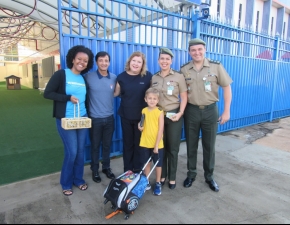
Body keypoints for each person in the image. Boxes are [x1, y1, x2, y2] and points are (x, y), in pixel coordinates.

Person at [180, 38, 233, 192]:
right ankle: (191, 174)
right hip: (191, 111)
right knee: (191, 145)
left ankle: (209, 177)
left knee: (209, 146)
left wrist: (226, 111)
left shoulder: (216, 67)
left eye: (199, 49)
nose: (197, 53)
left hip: (210, 111)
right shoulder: (184, 69)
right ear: (189, 52)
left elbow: (227, 87)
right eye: (193, 50)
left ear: (204, 50)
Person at [44, 45, 94, 196]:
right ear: (73, 59)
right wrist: (67, 98)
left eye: (85, 60)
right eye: (79, 59)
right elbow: (48, 93)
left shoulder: (83, 79)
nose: (82, 62)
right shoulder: (61, 74)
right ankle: (66, 182)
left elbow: (85, 100)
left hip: (82, 119)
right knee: (71, 152)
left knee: (80, 152)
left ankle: (78, 180)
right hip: (66, 120)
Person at [151, 48, 188, 189]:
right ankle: (163, 175)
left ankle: (172, 177)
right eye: (162, 59)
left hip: (173, 114)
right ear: (158, 60)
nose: (164, 61)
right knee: (161, 147)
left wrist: (181, 113)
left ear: (171, 61)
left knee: (173, 147)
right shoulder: (154, 78)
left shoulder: (178, 76)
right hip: (158, 115)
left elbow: (184, 97)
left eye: (167, 59)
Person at [114, 51, 152, 173]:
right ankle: (128, 171)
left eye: (139, 62)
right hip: (125, 115)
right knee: (128, 144)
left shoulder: (147, 77)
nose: (136, 64)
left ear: (142, 64)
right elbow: (116, 93)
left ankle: (138, 170)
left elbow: (153, 94)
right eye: (134, 61)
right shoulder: (121, 77)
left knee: (139, 145)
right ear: (129, 62)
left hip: (141, 117)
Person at [85, 51, 117, 183]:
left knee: (107, 145)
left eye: (106, 61)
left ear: (109, 62)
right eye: (101, 60)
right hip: (95, 119)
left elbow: (117, 92)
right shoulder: (88, 77)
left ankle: (106, 167)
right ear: (97, 62)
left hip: (109, 118)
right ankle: (94, 170)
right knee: (95, 146)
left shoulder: (114, 78)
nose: (104, 63)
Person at [138, 87, 164, 196]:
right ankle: (147, 181)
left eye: (154, 98)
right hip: (145, 142)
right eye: (150, 98)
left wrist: (156, 146)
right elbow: (142, 124)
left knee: (158, 164)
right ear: (145, 99)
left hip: (157, 144)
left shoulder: (159, 112)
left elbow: (160, 129)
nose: (152, 100)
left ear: (158, 100)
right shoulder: (144, 110)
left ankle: (158, 182)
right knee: (146, 163)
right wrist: (139, 126)